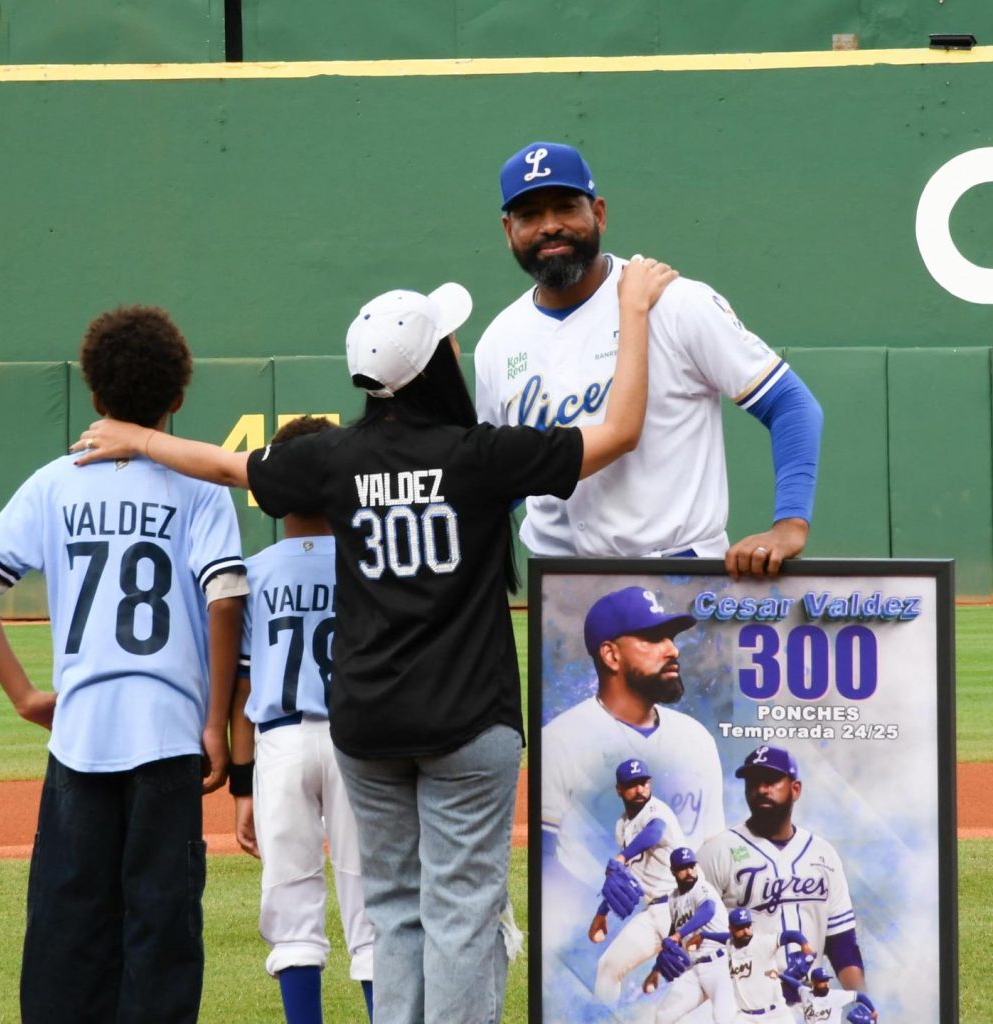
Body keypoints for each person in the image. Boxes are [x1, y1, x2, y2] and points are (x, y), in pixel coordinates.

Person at [70, 258, 678, 1024]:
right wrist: (635, 308)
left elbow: (226, 466)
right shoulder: (482, 454)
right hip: (466, 720)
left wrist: (135, 436)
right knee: (460, 915)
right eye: (445, 341)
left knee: (394, 915)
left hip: (367, 722)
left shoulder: (336, 458)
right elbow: (619, 432)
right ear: (430, 366)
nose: (456, 348)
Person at [0, 306, 247, 1024]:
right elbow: (225, 600)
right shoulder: (201, 485)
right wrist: (215, 721)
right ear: (178, 397)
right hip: (166, 734)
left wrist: (25, 693)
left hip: (81, 731)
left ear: (93, 395)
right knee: (161, 926)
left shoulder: (53, 482)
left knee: (68, 923)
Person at [474, 140, 824, 580]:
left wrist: (789, 524)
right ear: (508, 231)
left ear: (598, 214)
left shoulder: (673, 303)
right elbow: (501, 474)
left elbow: (790, 404)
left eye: (565, 207)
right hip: (559, 585)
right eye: (530, 216)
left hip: (676, 571)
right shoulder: (497, 342)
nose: (549, 226)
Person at [229, 415, 374, 1023]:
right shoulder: (368, 565)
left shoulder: (253, 572)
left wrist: (241, 788)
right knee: (372, 906)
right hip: (358, 746)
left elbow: (241, 689)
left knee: (290, 907)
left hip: (281, 742)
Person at [542, 586, 725, 883]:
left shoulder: (697, 738)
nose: (673, 650)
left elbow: (712, 850)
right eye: (653, 639)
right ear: (611, 655)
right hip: (588, 923)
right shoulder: (560, 740)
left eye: (671, 638)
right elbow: (544, 861)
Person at [697, 745, 866, 999]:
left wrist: (861, 1000)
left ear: (795, 789)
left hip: (811, 1006)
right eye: (753, 782)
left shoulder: (823, 854)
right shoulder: (716, 852)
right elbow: (696, 939)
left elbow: (841, 942)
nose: (761, 790)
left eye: (771, 781)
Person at [587, 758, 685, 1003]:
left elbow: (655, 832)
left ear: (650, 784)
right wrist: (602, 913)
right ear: (619, 789)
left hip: (684, 909)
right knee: (608, 968)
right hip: (654, 914)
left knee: (699, 984)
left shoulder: (657, 811)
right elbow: (624, 875)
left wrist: (621, 856)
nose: (640, 789)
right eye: (632, 785)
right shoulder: (622, 824)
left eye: (643, 783)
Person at [641, 846, 737, 1024]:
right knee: (663, 1016)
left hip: (721, 965)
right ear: (673, 871)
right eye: (684, 868)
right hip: (696, 969)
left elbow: (708, 910)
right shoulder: (674, 898)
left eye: (692, 866)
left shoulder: (702, 888)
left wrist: (679, 935)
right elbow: (672, 936)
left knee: (725, 1018)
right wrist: (656, 970)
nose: (690, 871)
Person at [697, 907, 814, 1023]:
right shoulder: (731, 944)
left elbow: (790, 935)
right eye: (740, 928)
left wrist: (805, 945)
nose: (746, 931)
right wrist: (704, 935)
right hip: (746, 1017)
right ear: (731, 929)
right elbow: (725, 938)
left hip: (776, 1015)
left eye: (748, 926)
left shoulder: (763, 943)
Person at [779, 966, 878, 1023]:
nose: (826, 983)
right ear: (814, 982)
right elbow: (796, 984)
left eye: (827, 980)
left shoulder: (836, 996)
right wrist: (779, 975)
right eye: (822, 981)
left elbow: (860, 996)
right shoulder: (806, 993)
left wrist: (873, 1010)